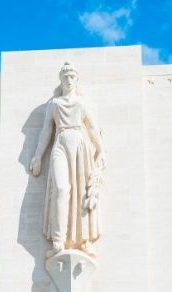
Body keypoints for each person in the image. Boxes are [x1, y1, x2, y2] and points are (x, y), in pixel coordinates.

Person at [30, 62, 105, 258]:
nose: (69, 80)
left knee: (81, 190)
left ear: (77, 80)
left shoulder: (82, 103)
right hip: (60, 144)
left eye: (72, 77)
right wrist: (38, 156)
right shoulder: (54, 104)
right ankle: (58, 239)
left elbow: (92, 129)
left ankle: (84, 239)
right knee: (61, 188)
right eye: (65, 77)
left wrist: (101, 150)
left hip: (80, 146)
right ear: (61, 80)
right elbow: (46, 131)